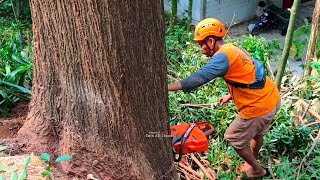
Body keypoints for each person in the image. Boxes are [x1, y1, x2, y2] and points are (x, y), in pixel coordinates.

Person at [168, 18, 281, 178]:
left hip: (258, 108)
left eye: (202, 44)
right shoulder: (232, 49)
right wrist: (230, 95)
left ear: (211, 40)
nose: (201, 49)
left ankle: (257, 170)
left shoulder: (222, 57)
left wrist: (166, 88)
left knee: (233, 137)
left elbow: (198, 79)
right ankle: (253, 160)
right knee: (257, 133)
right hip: (271, 96)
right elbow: (249, 71)